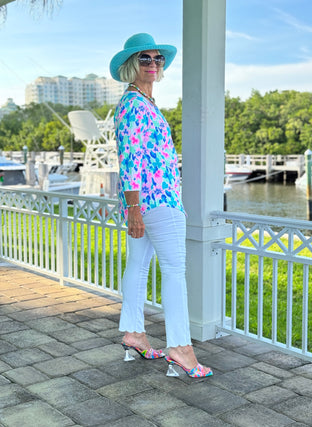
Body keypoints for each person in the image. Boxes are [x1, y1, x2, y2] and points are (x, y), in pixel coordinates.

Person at [109, 33, 212, 378]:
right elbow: (131, 160)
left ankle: (134, 333)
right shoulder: (135, 106)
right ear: (130, 66)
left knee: (138, 265)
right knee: (174, 272)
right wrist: (134, 208)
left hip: (150, 202)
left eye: (158, 59)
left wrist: (135, 207)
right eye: (145, 59)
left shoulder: (142, 103)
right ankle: (181, 349)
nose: (153, 64)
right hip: (157, 202)